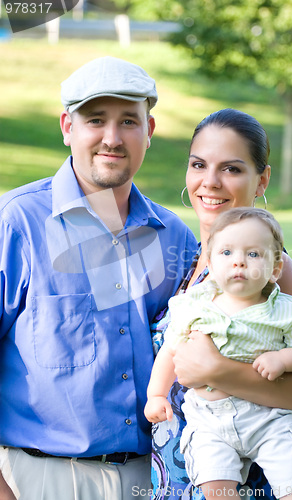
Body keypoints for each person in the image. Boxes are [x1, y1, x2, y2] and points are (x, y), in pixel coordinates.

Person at [0, 56, 198, 500]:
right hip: (39, 478)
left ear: (149, 131)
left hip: (152, 479)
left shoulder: (176, 239)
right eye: (96, 120)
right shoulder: (17, 223)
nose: (113, 138)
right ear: (67, 127)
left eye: (129, 120)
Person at [150, 108, 292, 500]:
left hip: (247, 479)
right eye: (199, 164)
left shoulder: (266, 271)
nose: (210, 182)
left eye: (231, 169)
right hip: (183, 475)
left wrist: (220, 370)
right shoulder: (191, 258)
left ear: (261, 179)